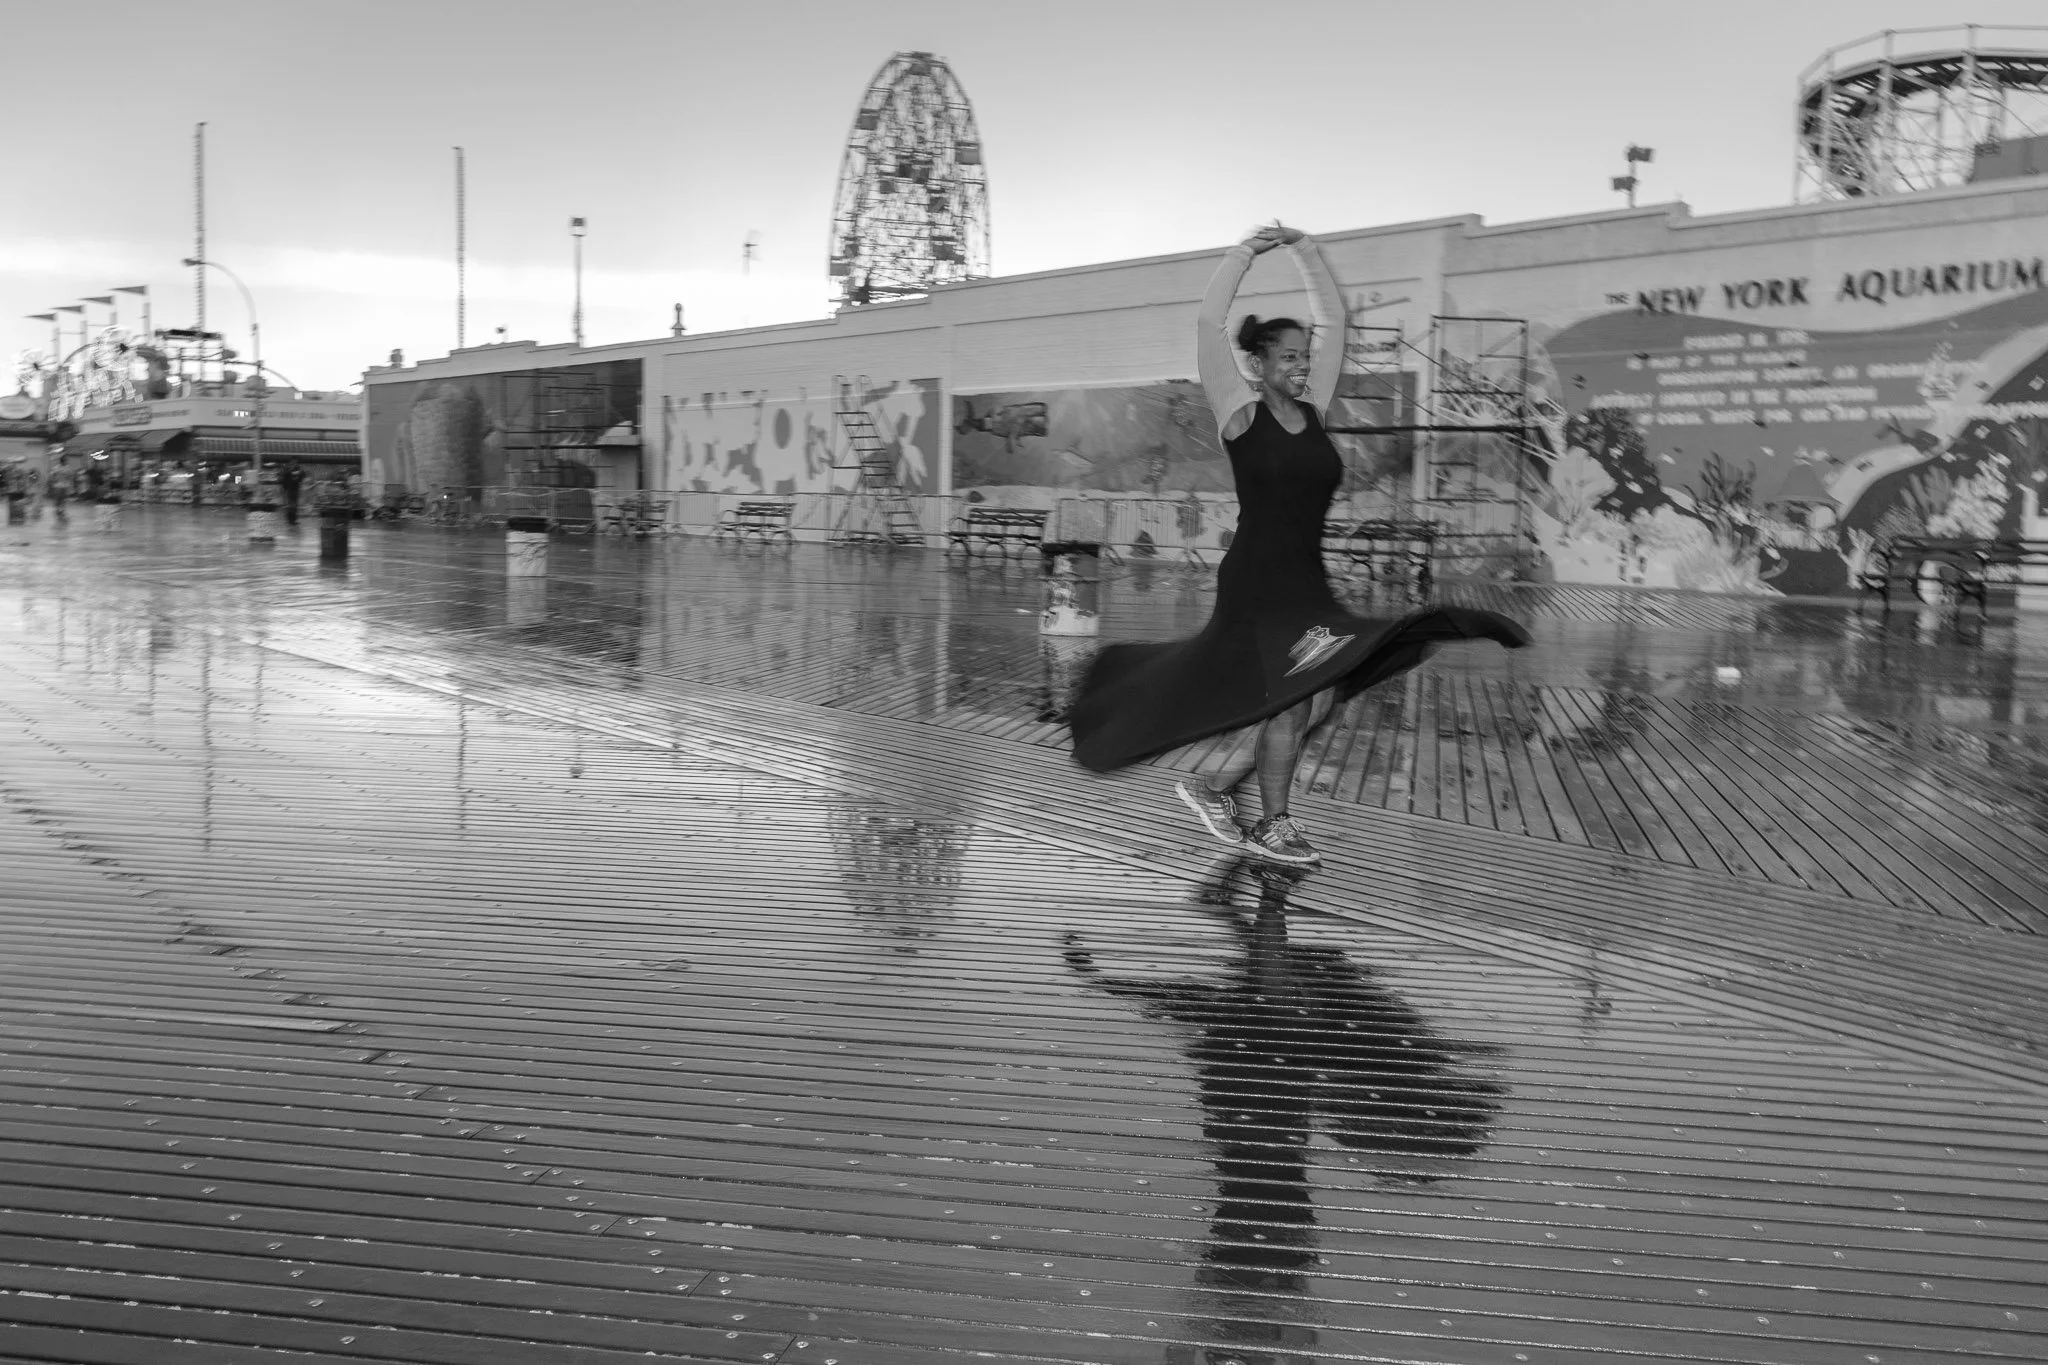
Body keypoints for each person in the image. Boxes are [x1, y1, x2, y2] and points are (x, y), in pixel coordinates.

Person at [1067, 224, 1533, 866]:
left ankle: (1214, 787)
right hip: (1258, 584)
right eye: (1287, 357)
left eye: (1304, 357)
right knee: (1294, 696)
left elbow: (1335, 320)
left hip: (1306, 580)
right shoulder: (1240, 411)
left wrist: (1307, 251)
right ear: (1257, 364)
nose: (1301, 365)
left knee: (1323, 695)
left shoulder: (1312, 409)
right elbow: (1209, 324)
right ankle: (1274, 825)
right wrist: (1246, 254)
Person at [276, 460, 306, 526]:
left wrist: (299, 471)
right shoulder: (288, 472)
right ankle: (290, 520)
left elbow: (302, 475)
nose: (293, 466)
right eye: (292, 465)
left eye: (294, 465)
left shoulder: (295, 472)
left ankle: (293, 520)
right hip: (290, 490)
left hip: (294, 490)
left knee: (294, 506)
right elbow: (287, 477)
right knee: (291, 505)